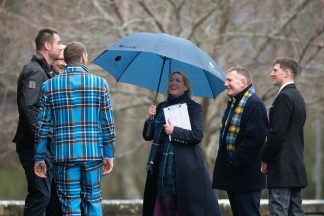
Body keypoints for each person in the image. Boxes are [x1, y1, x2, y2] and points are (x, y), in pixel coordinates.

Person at [34, 41, 116, 216]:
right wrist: (109, 154)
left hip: (64, 156)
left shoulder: (50, 86)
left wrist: (39, 157)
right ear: (84, 57)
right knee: (93, 201)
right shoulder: (100, 84)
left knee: (70, 206)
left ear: (66, 59)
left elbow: (42, 126)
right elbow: (107, 124)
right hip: (93, 154)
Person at [142, 71, 221, 216]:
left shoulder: (193, 107)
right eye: (171, 80)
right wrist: (150, 118)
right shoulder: (160, 107)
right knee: (166, 205)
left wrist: (174, 130)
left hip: (184, 165)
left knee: (184, 207)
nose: (173, 83)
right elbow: (148, 136)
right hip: (161, 164)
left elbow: (197, 136)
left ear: (185, 87)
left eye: (178, 81)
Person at [12, 28, 62, 216]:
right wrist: (43, 137)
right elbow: (28, 107)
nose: (60, 47)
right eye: (58, 43)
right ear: (47, 45)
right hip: (33, 145)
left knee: (52, 198)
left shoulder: (45, 72)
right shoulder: (34, 71)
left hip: (42, 145)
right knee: (40, 194)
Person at [212, 67, 268, 216]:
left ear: (243, 83)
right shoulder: (235, 103)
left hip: (247, 178)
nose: (225, 84)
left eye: (229, 80)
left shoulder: (254, 104)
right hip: (235, 177)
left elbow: (254, 140)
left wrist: (234, 161)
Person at [261, 57, 308, 215]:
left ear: (286, 73)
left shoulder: (284, 97)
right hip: (295, 167)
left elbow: (276, 133)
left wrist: (265, 158)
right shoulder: (298, 97)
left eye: (275, 70)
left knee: (278, 212)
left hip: (281, 168)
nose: (271, 74)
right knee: (295, 212)